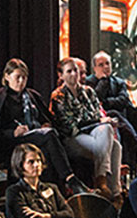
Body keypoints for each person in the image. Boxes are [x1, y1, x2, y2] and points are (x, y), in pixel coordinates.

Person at [0, 59, 73, 189]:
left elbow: (45, 118)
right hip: (8, 143)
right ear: (7, 76)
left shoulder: (32, 96)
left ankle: (50, 194)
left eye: (24, 78)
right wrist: (13, 132)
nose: (21, 81)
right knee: (49, 136)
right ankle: (69, 179)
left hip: (33, 138)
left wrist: (45, 123)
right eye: (18, 77)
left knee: (46, 148)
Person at [49, 56, 122, 194]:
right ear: (61, 75)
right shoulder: (58, 95)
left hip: (94, 134)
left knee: (110, 135)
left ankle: (113, 191)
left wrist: (98, 121)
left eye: (76, 70)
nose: (74, 74)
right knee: (113, 145)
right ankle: (104, 183)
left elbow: (96, 115)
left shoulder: (88, 91)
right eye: (69, 71)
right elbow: (71, 126)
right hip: (73, 138)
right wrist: (96, 122)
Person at [86, 52, 137, 165]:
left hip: (118, 119)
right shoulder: (88, 82)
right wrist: (102, 82)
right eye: (101, 65)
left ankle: (125, 164)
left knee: (115, 115)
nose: (105, 67)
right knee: (113, 113)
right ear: (94, 68)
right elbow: (95, 101)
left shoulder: (119, 82)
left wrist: (106, 102)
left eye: (107, 63)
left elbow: (123, 100)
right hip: (97, 119)